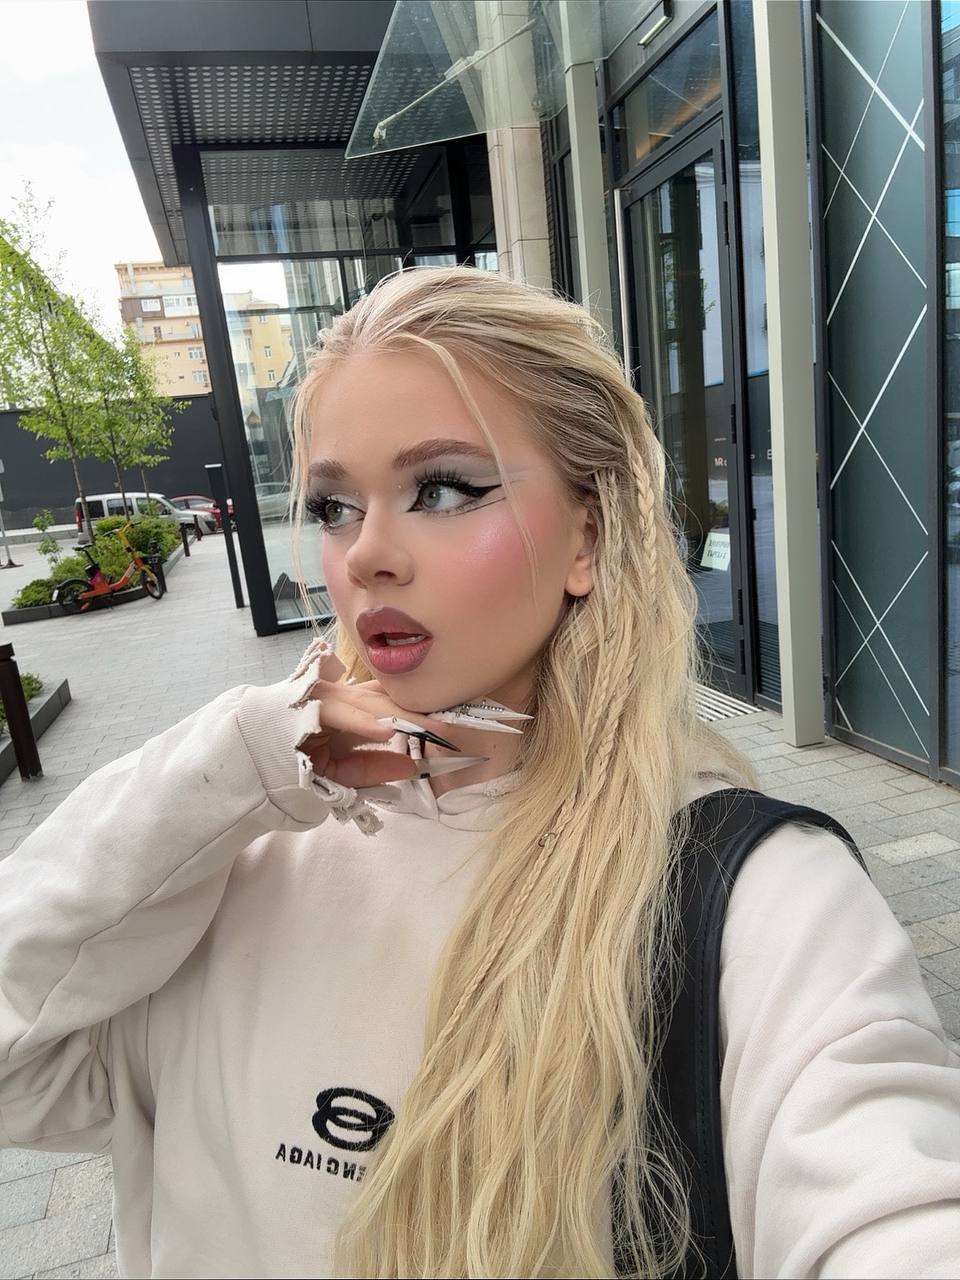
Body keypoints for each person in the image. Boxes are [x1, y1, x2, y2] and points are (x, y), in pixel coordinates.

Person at [0, 265, 957, 1280]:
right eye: (334, 503)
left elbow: (888, 1190)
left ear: (587, 534)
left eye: (445, 488)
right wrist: (233, 761)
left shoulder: (757, 894)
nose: (367, 554)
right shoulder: (228, 848)